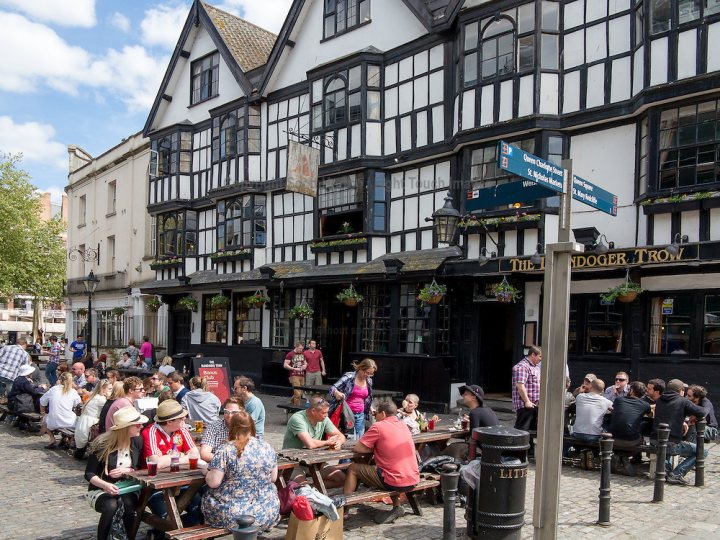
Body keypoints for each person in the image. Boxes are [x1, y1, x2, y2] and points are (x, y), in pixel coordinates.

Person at [201, 411, 280, 532]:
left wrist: (206, 472)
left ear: (231, 428)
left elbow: (213, 483)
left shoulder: (226, 449)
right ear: (252, 427)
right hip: (267, 512)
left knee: (202, 499)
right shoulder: (267, 447)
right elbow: (273, 478)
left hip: (234, 515)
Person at [344, 401, 419, 524]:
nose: (374, 416)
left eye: (376, 413)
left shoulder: (379, 426)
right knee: (390, 467)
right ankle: (396, 506)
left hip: (395, 481)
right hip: (413, 478)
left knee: (353, 468)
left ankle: (344, 510)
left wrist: (377, 448)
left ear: (383, 414)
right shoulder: (403, 425)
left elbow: (359, 448)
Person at [84, 406, 147, 540]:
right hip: (101, 488)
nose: (141, 427)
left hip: (127, 487)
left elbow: (142, 469)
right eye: (137, 425)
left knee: (129, 504)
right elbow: (89, 473)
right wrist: (105, 485)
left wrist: (129, 471)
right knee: (111, 505)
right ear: (125, 428)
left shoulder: (137, 441)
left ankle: (128, 537)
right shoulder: (103, 444)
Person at [142, 400, 202, 527]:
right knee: (167, 520)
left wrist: (169, 458)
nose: (184, 419)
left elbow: (195, 454)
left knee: (200, 512)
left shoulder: (181, 429)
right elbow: (155, 463)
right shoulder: (151, 432)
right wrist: (183, 456)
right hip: (156, 486)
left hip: (182, 483)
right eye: (181, 418)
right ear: (169, 422)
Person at [652, 379, 708, 485]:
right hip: (670, 442)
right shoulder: (682, 401)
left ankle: (665, 471)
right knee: (703, 452)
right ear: (681, 390)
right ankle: (677, 473)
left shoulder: (659, 400)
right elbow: (702, 412)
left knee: (666, 441)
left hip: (654, 440)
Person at [282, 396, 346, 488]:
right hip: (294, 463)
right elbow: (310, 444)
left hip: (315, 462)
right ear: (313, 411)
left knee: (342, 479)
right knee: (302, 487)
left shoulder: (324, 418)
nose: (326, 415)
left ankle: (312, 491)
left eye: (327, 412)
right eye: (324, 413)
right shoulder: (297, 419)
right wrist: (328, 442)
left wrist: (338, 442)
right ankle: (308, 492)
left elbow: (341, 436)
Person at [327, 358, 377, 439]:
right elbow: (332, 388)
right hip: (347, 414)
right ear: (361, 368)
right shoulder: (349, 377)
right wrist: (337, 393)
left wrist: (371, 408)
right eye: (367, 372)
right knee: (348, 437)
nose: (368, 375)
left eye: (371, 374)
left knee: (359, 438)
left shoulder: (369, 381)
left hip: (361, 414)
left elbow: (366, 397)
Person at [39, 372, 81, 449]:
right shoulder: (73, 392)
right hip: (69, 422)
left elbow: (42, 401)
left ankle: (52, 439)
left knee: (45, 420)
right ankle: (68, 440)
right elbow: (77, 404)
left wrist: (42, 413)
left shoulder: (53, 389)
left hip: (54, 421)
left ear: (60, 380)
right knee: (76, 418)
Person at [75, 380, 112, 459]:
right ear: (103, 389)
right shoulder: (101, 399)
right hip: (91, 423)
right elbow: (108, 410)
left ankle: (80, 453)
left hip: (83, 421)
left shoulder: (94, 396)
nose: (111, 391)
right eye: (109, 389)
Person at [200, 397, 245, 462]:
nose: (230, 415)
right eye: (226, 412)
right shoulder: (214, 426)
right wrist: (227, 462)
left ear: (242, 413)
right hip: (218, 467)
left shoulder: (246, 428)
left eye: (234, 412)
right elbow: (204, 454)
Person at [512, 345, 542, 433]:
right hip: (525, 407)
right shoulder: (522, 366)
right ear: (533, 354)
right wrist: (527, 401)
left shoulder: (535, 367)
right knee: (522, 432)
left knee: (531, 434)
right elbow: (520, 385)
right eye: (540, 356)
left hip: (534, 406)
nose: (541, 359)